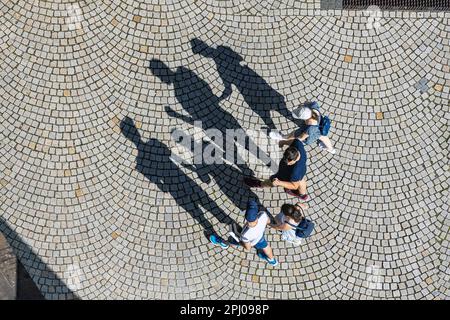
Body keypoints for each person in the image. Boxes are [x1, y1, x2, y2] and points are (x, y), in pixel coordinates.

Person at [210, 200, 278, 266]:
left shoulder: (246, 235)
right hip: (260, 237)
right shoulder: (262, 214)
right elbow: (268, 221)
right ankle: (272, 261)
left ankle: (224, 243)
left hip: (251, 241)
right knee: (266, 248)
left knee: (233, 240)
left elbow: (248, 248)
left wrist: (240, 242)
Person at [243, 139, 309, 201]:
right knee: (301, 181)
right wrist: (283, 142)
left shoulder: (295, 172)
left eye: (289, 162)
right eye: (284, 158)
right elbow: (294, 141)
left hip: (285, 175)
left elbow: (295, 186)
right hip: (302, 171)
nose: (286, 163)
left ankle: (260, 184)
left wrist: (279, 182)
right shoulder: (298, 145)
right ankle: (302, 195)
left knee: (272, 181)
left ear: (295, 159)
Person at [270, 101, 336, 154]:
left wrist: (292, 141)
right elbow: (308, 102)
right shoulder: (314, 106)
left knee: (293, 134)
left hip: (312, 135)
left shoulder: (310, 128)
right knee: (323, 137)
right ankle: (331, 149)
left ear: (305, 119)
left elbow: (301, 138)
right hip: (320, 128)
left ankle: (282, 137)